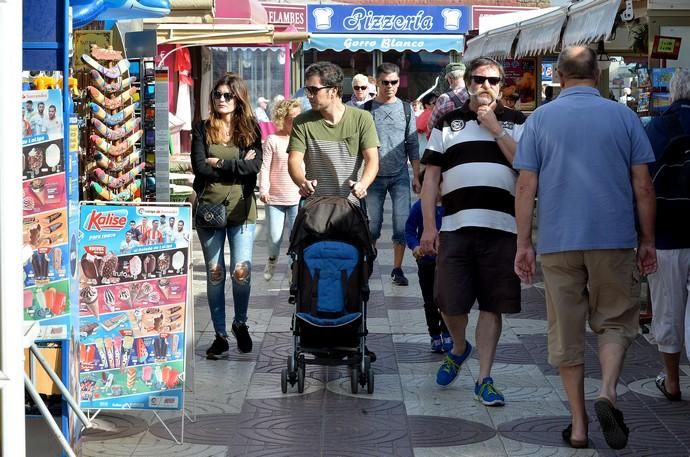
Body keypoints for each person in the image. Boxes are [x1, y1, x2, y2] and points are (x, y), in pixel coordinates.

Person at [513, 46, 657, 450]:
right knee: (615, 319)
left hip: (558, 242)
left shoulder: (540, 119)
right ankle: (607, 392)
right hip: (613, 238)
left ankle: (578, 426)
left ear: (558, 76)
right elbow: (644, 186)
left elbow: (526, 187)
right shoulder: (624, 117)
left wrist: (523, 244)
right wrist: (647, 240)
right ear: (598, 74)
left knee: (566, 331)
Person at [420, 57, 526, 406]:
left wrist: (496, 129)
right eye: (479, 79)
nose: (486, 85)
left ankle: (484, 378)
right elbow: (431, 177)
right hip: (455, 226)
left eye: (493, 80)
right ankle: (460, 346)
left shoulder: (516, 121)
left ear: (501, 85)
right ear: (467, 82)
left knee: (492, 305)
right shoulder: (448, 123)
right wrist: (429, 227)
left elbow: (526, 169)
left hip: (502, 228)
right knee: (448, 301)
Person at [192, 72, 262, 358]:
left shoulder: (251, 129)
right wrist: (236, 164)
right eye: (217, 95)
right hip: (209, 210)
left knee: (241, 272)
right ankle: (220, 335)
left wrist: (220, 161)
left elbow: (254, 166)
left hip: (242, 209)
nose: (221, 99)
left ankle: (240, 323)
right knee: (215, 273)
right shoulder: (202, 128)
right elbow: (200, 167)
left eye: (227, 95)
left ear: (238, 98)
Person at [644, 68, 690, 403]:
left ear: (673, 92)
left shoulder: (658, 127)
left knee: (668, 310)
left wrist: (641, 235)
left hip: (667, 233)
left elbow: (642, 184)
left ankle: (672, 380)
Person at [287, 61, 379, 204]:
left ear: (334, 90)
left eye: (314, 90)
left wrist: (363, 184)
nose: (309, 96)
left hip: (351, 207)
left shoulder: (362, 118)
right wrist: (302, 182)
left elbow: (372, 160)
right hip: (315, 207)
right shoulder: (302, 121)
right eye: (307, 90)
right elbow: (293, 161)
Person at [363, 62, 420, 286]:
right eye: (385, 82)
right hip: (373, 176)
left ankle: (397, 269)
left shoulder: (406, 110)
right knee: (372, 226)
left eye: (394, 82)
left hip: (400, 175)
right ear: (377, 83)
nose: (389, 86)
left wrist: (416, 175)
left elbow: (413, 144)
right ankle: (367, 267)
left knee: (401, 224)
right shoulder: (366, 110)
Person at [405, 170, 450, 353]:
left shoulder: (451, 208)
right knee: (430, 300)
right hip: (427, 261)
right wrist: (415, 246)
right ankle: (434, 334)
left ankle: (448, 333)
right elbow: (409, 230)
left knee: (448, 299)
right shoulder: (419, 208)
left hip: (448, 262)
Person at [259, 99, 302, 281]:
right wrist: (264, 190)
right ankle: (272, 259)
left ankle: (295, 268)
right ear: (282, 119)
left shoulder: (302, 139)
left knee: (296, 237)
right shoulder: (273, 140)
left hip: (297, 197)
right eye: (292, 119)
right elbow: (265, 167)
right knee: (274, 237)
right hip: (275, 198)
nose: (296, 122)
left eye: (299, 118)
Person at [427, 62, 468, 134]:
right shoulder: (473, 94)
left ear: (450, 79)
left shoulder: (444, 98)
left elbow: (431, 126)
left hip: (453, 141)